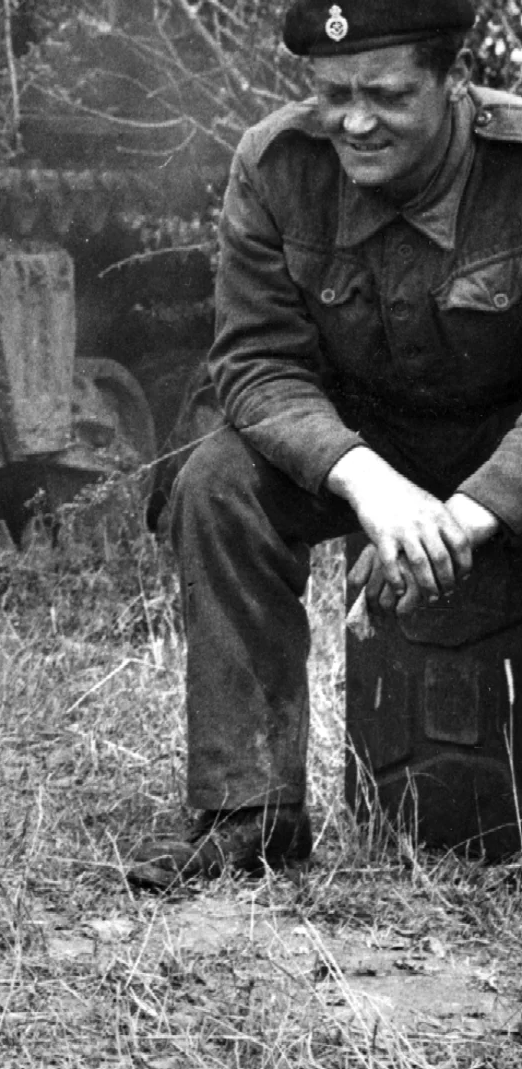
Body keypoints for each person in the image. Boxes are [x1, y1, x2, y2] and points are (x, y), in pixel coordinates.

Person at [128, 0, 522, 890]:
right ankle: (250, 813)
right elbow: (257, 362)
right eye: (333, 93)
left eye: (387, 95)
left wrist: (470, 512)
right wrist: (366, 483)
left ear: (456, 80)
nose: (354, 121)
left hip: (505, 449)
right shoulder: (278, 166)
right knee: (218, 481)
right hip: (358, 446)